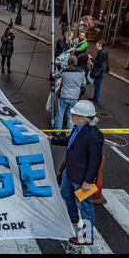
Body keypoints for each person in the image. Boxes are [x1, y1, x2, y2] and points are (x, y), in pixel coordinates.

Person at [47, 100, 103, 246]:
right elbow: (69, 141)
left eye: (74, 113)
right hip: (69, 172)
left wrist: (88, 181)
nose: (71, 115)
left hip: (82, 178)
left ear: (82, 118)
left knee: (85, 206)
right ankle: (72, 217)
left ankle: (86, 237)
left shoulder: (94, 135)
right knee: (65, 193)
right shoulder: (77, 127)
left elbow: (95, 161)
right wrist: (52, 139)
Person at [52, 55, 86, 136]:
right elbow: (84, 83)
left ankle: (57, 131)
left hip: (63, 96)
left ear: (68, 62)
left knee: (60, 114)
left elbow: (54, 76)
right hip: (74, 97)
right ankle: (68, 133)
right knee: (71, 116)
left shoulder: (64, 71)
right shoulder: (81, 72)